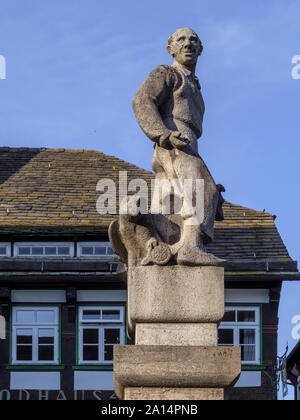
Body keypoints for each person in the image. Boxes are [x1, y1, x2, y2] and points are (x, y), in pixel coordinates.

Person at [132, 27, 223, 265]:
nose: (188, 44)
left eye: (193, 40)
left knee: (170, 200)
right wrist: (163, 134)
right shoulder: (168, 73)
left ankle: (168, 244)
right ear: (170, 48)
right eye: (181, 39)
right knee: (204, 188)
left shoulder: (194, 83)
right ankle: (191, 247)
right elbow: (142, 100)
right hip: (175, 142)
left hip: (186, 143)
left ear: (200, 49)